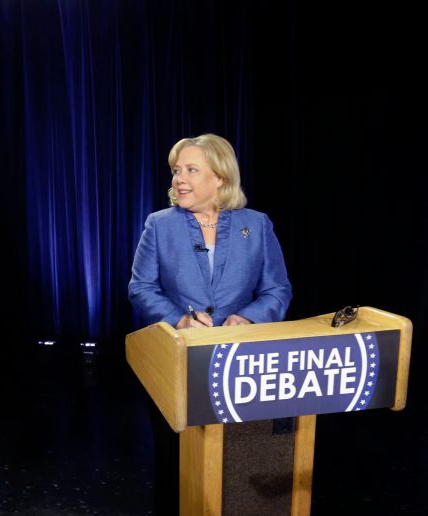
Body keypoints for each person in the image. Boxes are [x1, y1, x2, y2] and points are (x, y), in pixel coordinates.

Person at [128, 133, 292, 514]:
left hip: (240, 364)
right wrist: (180, 319)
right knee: (176, 463)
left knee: (233, 462)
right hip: (178, 362)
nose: (178, 178)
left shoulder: (257, 225)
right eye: (175, 170)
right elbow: (141, 288)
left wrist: (246, 317)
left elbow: (277, 289)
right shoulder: (160, 225)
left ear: (220, 177)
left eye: (190, 169)